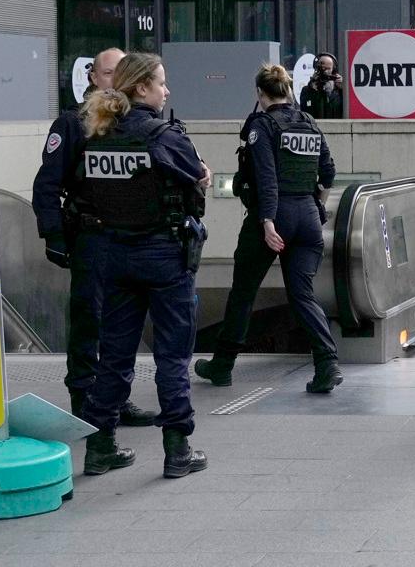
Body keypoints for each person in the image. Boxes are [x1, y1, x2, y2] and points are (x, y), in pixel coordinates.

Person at [73, 53, 209, 479]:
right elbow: (198, 176)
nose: (166, 91)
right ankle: (177, 449)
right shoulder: (162, 136)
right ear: (142, 88)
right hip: (164, 256)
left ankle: (100, 446)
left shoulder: (97, 134)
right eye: (161, 83)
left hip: (115, 255)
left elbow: (84, 192)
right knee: (172, 356)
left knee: (113, 355)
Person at [194, 65, 342, 394]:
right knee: (303, 294)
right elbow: (328, 172)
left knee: (244, 291)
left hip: (274, 217)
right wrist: (316, 204)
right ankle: (327, 363)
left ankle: (223, 365)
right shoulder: (309, 122)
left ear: (260, 94)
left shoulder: (263, 125)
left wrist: (267, 221)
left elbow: (266, 178)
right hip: (307, 217)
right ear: (288, 91)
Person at [31, 48, 158, 427]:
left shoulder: (136, 126)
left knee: (121, 325)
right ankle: (84, 401)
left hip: (128, 239)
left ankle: (115, 399)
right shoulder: (74, 124)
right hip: (91, 237)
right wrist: (53, 235)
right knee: (90, 320)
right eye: (107, 74)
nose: (113, 82)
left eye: (121, 74)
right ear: (92, 77)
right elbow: (47, 185)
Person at [299, 53, 345, 120]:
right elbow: (305, 112)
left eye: (328, 68)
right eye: (322, 68)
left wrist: (343, 87)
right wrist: (312, 90)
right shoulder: (307, 90)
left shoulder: (340, 90)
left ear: (333, 70)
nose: (325, 72)